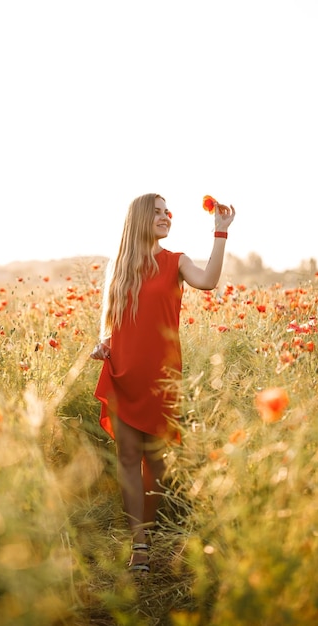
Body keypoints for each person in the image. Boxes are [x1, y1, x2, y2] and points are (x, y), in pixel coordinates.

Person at [90, 193, 235, 573]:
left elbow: (208, 281)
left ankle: (148, 531)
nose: (165, 216)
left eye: (166, 211)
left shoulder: (176, 261)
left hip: (160, 376)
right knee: (126, 458)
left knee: (154, 460)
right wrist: (103, 343)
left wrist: (219, 234)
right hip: (122, 372)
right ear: (139, 218)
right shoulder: (119, 267)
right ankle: (139, 543)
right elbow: (112, 321)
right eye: (156, 211)